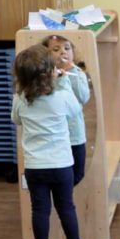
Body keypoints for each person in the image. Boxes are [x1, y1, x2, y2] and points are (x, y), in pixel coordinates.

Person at [10, 45, 84, 239]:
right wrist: (64, 83)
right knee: (66, 207)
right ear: (51, 73)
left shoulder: (20, 99)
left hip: (35, 166)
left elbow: (17, 120)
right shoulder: (61, 98)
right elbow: (75, 110)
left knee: (40, 209)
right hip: (62, 165)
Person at [43, 35, 91, 186]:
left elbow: (83, 98)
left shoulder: (79, 73)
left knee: (78, 173)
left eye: (67, 48)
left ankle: (65, 197)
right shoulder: (46, 75)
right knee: (59, 173)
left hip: (75, 134)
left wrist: (74, 73)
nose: (63, 52)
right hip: (54, 135)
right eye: (56, 49)